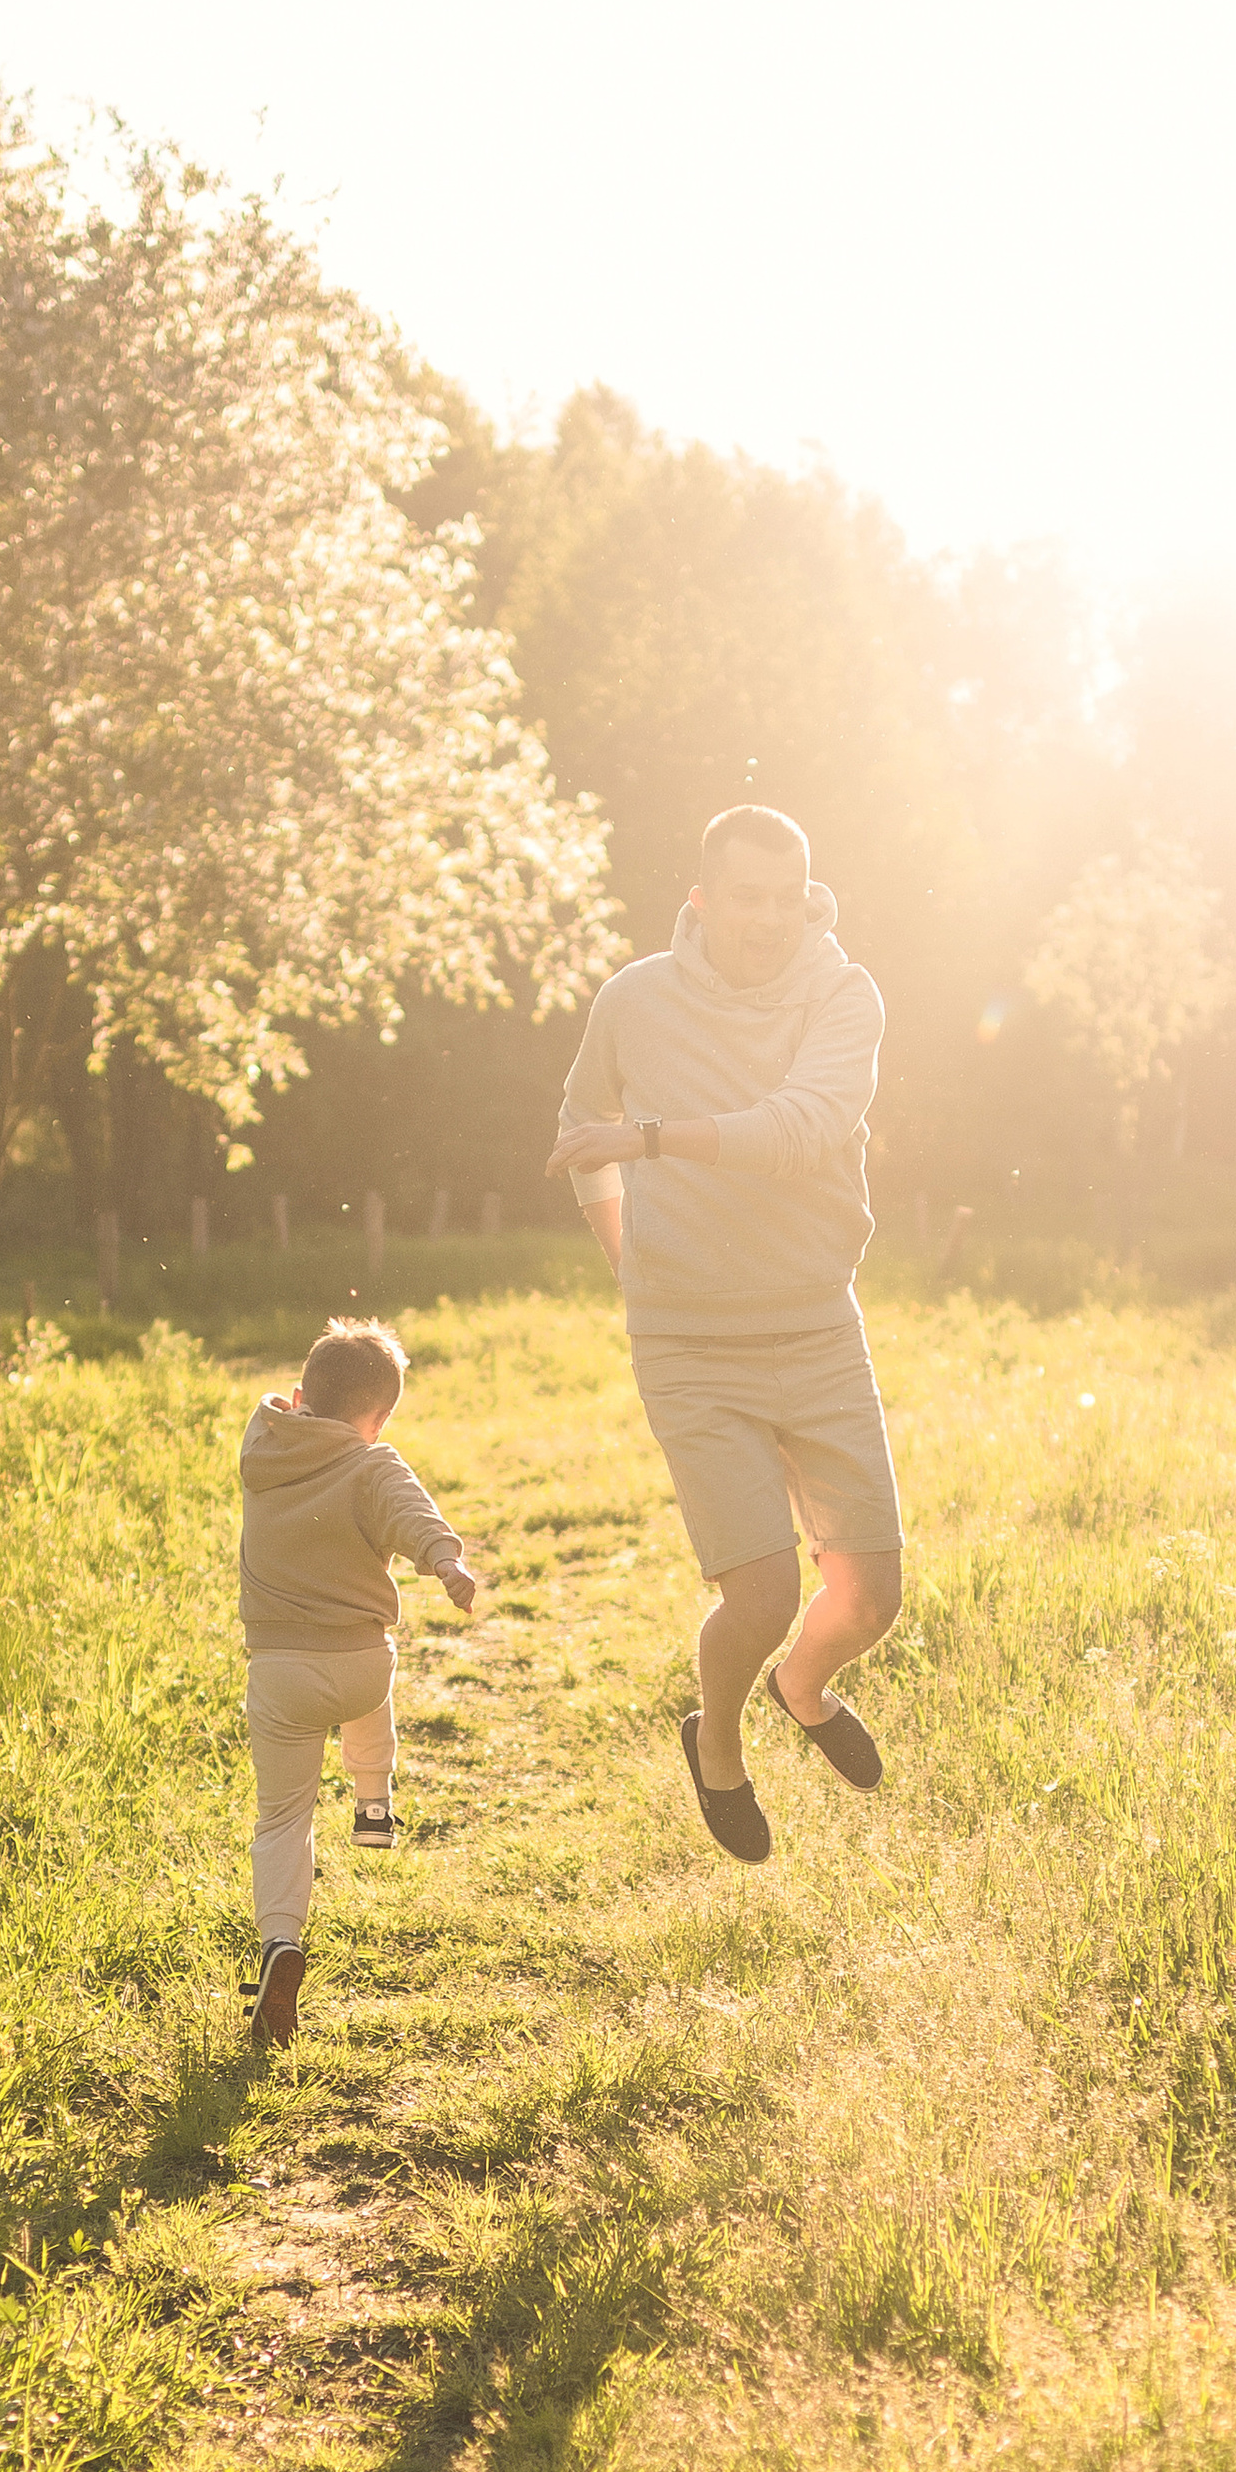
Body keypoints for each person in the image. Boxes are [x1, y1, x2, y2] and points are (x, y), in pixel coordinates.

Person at [545, 804, 902, 1865]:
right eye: (745, 897)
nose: (767, 919)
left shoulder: (841, 993)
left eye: (784, 897)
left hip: (814, 1321)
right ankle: (719, 1747)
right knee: (761, 1592)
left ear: (806, 896)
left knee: (870, 1597)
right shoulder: (635, 1000)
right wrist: (628, 1260)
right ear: (702, 900)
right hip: (690, 1342)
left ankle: (805, 1685)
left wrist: (651, 1137)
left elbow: (800, 1131)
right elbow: (581, 1127)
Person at [237, 1315, 480, 2048]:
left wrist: (294, 1405)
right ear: (376, 1419)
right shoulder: (374, 1465)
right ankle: (374, 1802)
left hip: (280, 1671)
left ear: (302, 1394)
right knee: (372, 1691)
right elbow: (413, 1513)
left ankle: (281, 1941)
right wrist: (446, 1562)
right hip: (360, 1668)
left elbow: (276, 1413)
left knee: (283, 1818)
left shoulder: (262, 1448)